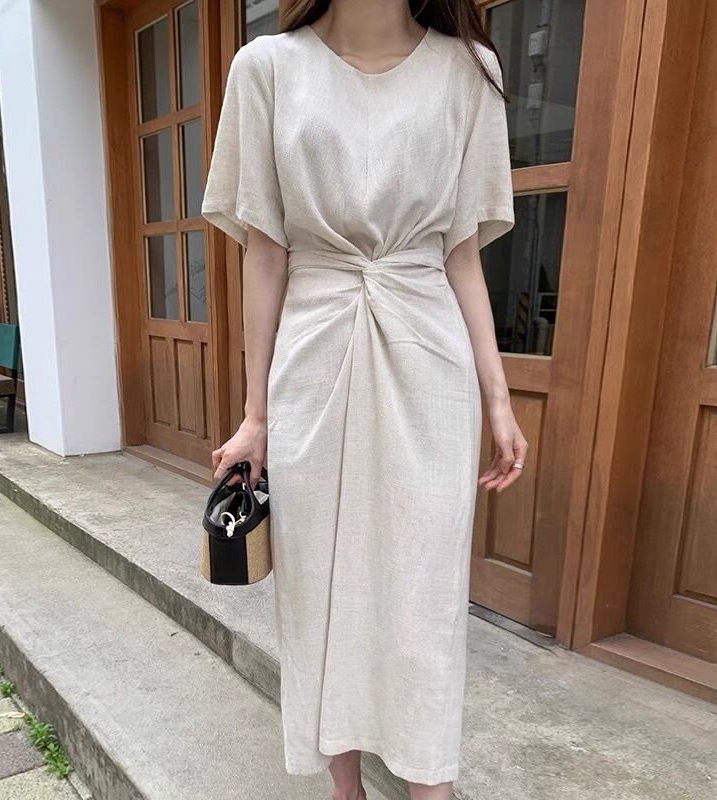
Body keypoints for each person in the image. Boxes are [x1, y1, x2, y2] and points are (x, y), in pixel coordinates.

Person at [201, 2, 528, 798]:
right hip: (313, 356)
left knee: (423, 595)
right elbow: (265, 252)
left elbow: (461, 255)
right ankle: (344, 788)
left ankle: (427, 784)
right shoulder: (266, 69)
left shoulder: (468, 72)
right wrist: (255, 416)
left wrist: (498, 398)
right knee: (319, 588)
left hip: (429, 359)